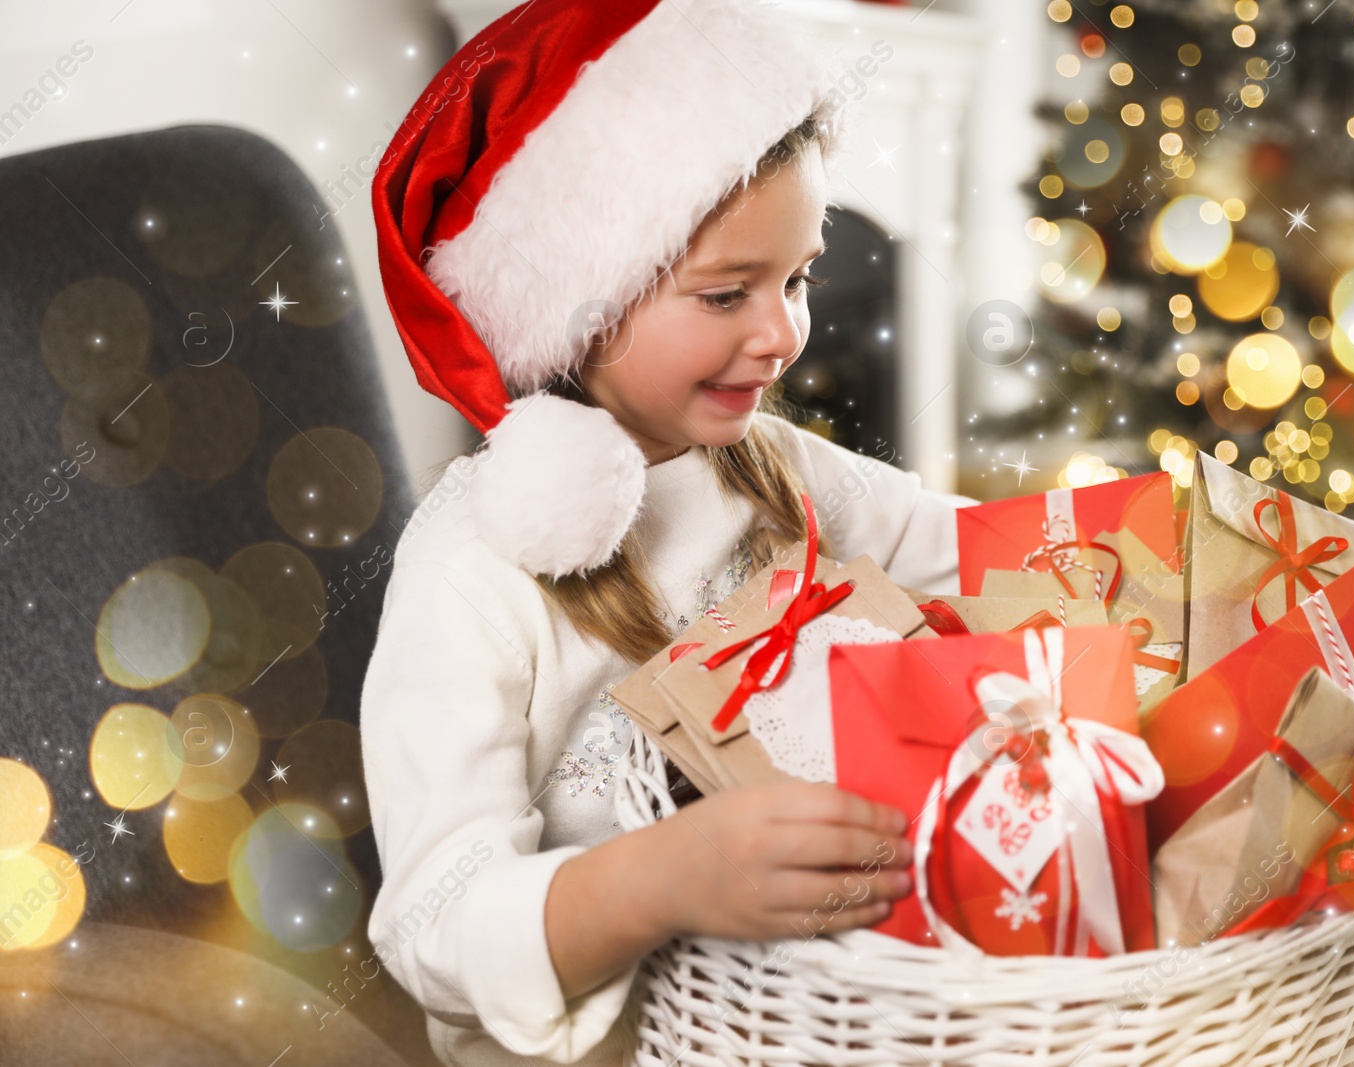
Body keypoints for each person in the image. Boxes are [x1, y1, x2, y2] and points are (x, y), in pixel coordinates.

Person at [364, 2, 975, 1064]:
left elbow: (967, 549)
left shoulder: (776, 472)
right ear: (577, 308)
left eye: (798, 279)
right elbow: (433, 928)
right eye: (727, 292)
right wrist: (665, 875)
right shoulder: (472, 571)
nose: (782, 334)